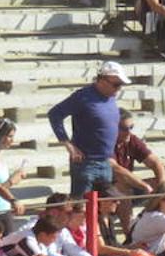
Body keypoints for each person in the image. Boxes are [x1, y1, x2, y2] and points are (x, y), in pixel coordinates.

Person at [47, 61, 128, 197]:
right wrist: (68, 145)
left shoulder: (111, 98)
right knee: (82, 206)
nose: (118, 89)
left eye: (120, 85)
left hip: (106, 162)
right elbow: (55, 114)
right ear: (103, 80)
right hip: (86, 163)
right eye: (116, 85)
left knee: (104, 206)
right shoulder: (83, 96)